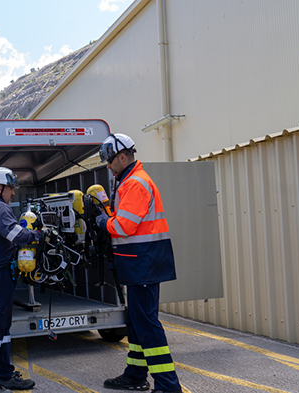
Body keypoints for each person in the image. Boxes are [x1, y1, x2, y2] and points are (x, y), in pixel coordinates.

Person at [95, 133, 182, 393]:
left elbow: (124, 225)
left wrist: (103, 222)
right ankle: (135, 374)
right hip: (139, 264)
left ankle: (167, 386)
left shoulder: (134, 183)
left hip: (143, 264)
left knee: (147, 325)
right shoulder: (128, 181)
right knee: (136, 321)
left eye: (109, 161)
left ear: (123, 156)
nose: (107, 166)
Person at [0, 167, 41, 393]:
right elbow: (16, 235)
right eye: (10, 188)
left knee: (3, 328)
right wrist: (38, 235)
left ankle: (4, 375)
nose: (13, 193)